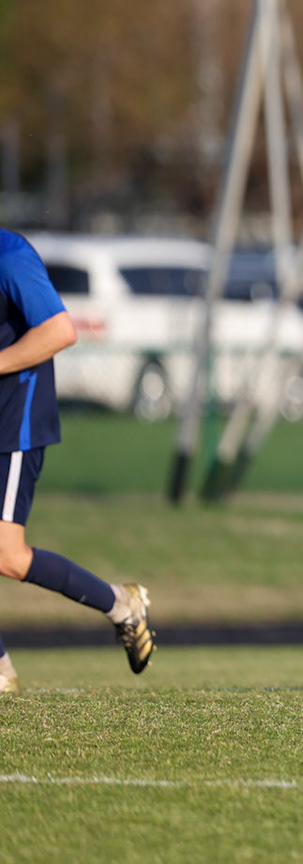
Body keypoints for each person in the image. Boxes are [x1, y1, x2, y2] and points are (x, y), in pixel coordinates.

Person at [0, 228, 154, 693]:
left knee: (7, 554)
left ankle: (121, 605)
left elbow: (59, 330)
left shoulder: (9, 255)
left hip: (13, 424)